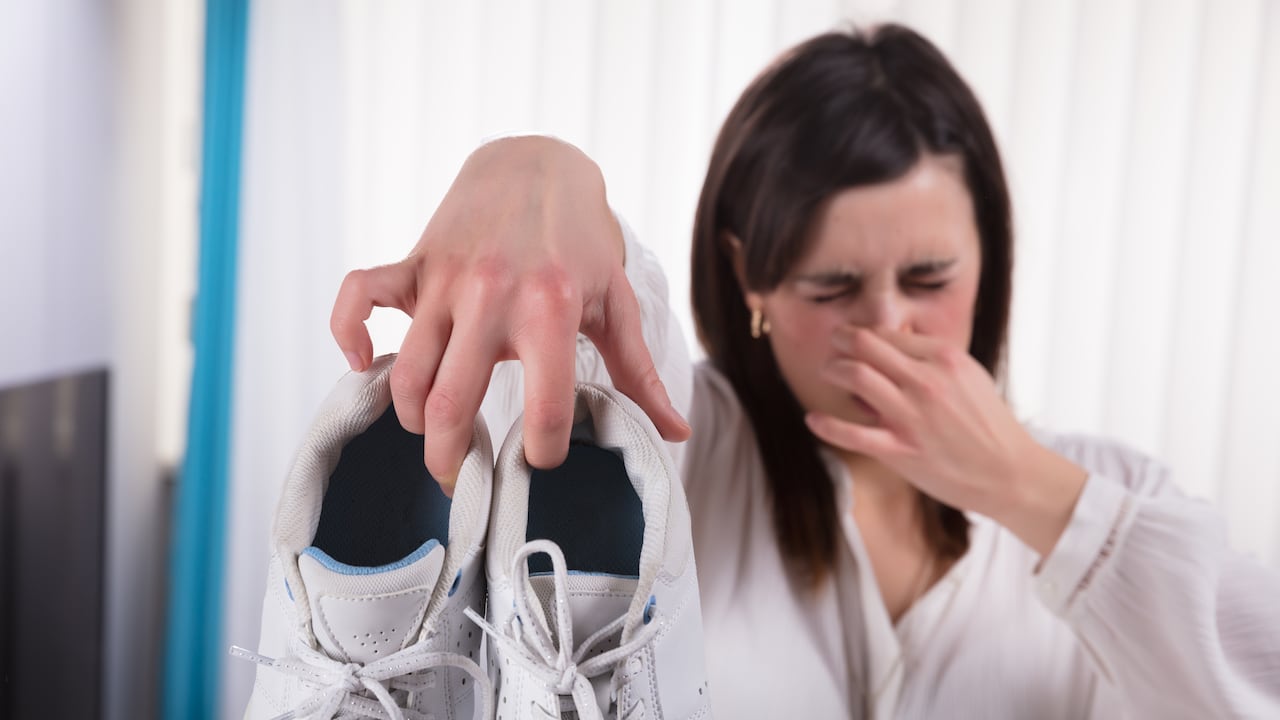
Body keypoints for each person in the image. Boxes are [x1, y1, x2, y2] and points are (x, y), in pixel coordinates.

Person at [328, 24, 1280, 719]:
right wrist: (531, 170)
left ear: (988, 261)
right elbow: (608, 306)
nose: (888, 326)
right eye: (834, 287)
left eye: (930, 278)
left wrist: (1033, 493)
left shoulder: (1111, 495)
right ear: (753, 281)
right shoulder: (688, 454)